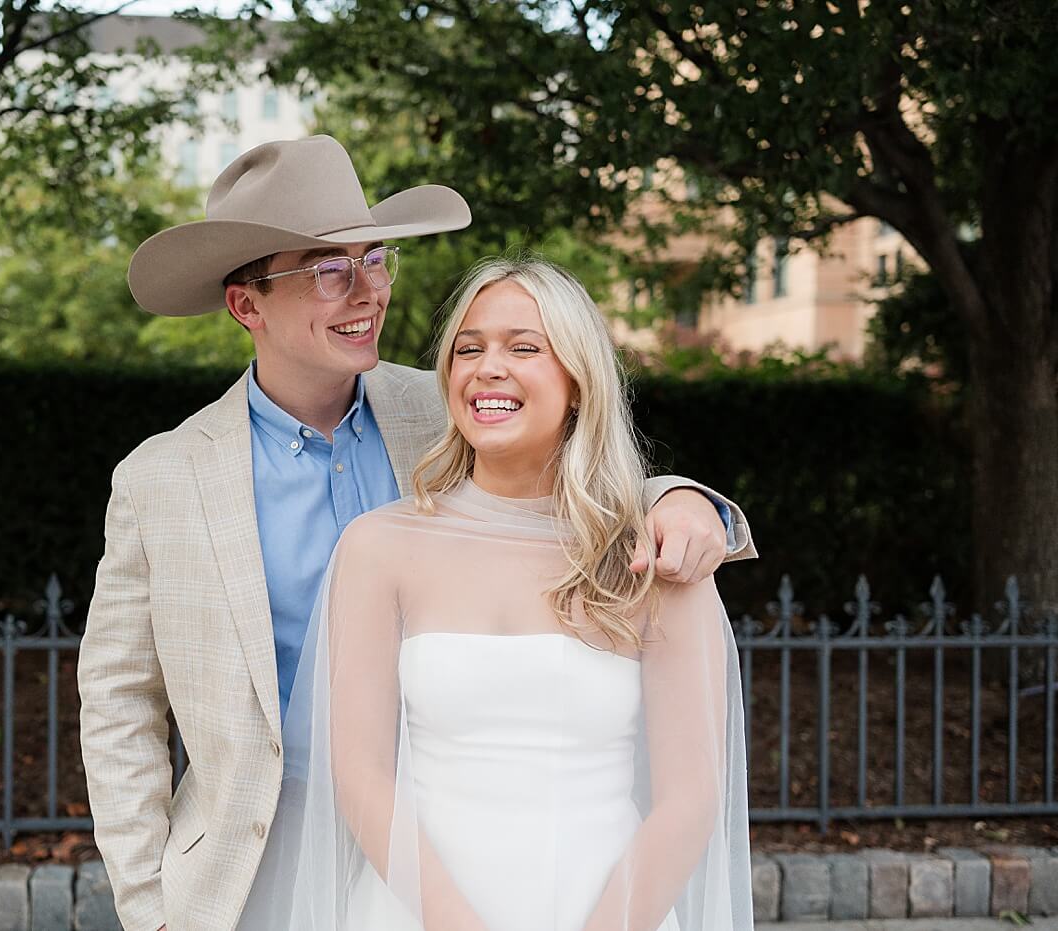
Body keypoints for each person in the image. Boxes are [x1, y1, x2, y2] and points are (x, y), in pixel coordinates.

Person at [78, 135, 756, 931]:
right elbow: (119, 700)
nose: (367, 290)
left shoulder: (454, 407)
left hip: (445, 831)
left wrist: (684, 500)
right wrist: (149, 905)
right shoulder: (162, 478)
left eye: (374, 260)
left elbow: (571, 469)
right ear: (247, 305)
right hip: (252, 857)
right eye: (329, 270)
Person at [267, 256, 753, 930]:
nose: (488, 367)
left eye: (524, 347)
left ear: (579, 381)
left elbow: (691, 799)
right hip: (416, 910)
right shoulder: (379, 547)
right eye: (469, 349)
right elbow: (360, 774)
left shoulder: (652, 555)